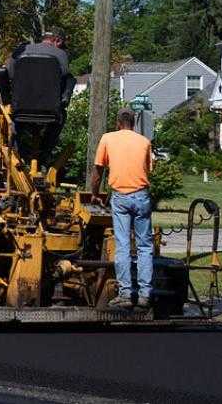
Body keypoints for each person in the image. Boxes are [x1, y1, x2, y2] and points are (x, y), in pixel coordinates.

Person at [90, 108, 154, 310]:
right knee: (145, 246)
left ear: (118, 123)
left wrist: (95, 193)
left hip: (120, 197)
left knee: (123, 245)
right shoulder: (144, 142)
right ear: (134, 123)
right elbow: (147, 170)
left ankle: (126, 293)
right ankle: (145, 294)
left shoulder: (108, 139)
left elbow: (97, 172)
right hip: (141, 195)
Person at [4, 27, 74, 165]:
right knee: (61, 117)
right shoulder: (61, 55)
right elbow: (64, 76)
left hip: (20, 110)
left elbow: (9, 73)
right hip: (50, 111)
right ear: (57, 41)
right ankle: (44, 154)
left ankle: (18, 154)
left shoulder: (20, 52)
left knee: (16, 125)